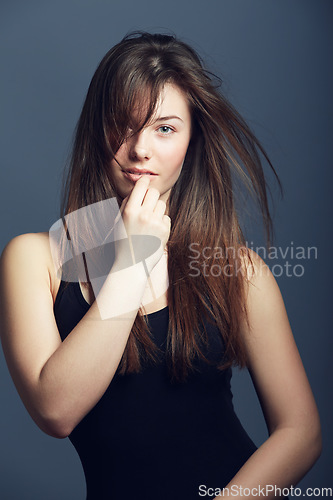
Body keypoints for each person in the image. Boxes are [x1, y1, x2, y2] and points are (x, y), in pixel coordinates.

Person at [0, 31, 321, 500]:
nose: (140, 149)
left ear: (191, 140)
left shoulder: (237, 271)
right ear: (96, 128)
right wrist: (132, 257)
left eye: (164, 128)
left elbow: (302, 433)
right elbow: (55, 410)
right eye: (122, 124)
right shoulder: (35, 258)